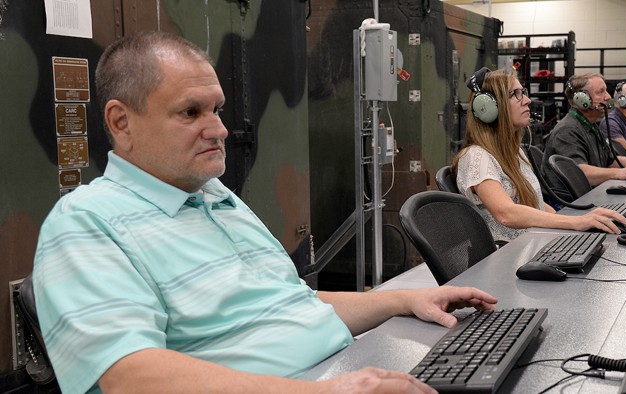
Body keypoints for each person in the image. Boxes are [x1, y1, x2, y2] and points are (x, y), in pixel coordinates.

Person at [32, 31, 497, 394]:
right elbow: (129, 377)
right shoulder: (85, 224)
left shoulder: (217, 198)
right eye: (190, 113)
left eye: (216, 108)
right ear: (121, 122)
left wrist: (402, 300)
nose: (218, 129)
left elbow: (290, 303)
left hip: (336, 370)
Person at [452, 67, 626, 242]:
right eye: (515, 94)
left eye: (524, 92)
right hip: (509, 259)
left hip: (532, 246)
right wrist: (575, 222)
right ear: (488, 108)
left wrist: (585, 218)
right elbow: (506, 213)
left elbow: (536, 204)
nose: (527, 100)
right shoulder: (476, 157)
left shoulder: (515, 152)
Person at [542, 73, 626, 202]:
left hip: (589, 195)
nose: (607, 97)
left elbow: (611, 161)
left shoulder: (590, 126)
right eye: (601, 92)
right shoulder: (567, 130)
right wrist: (619, 173)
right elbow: (580, 172)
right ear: (582, 99)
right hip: (570, 204)